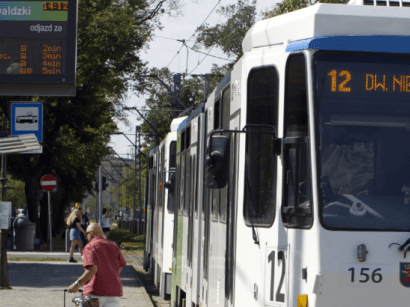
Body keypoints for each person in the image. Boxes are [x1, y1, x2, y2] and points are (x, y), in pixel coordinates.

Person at [67, 223, 127, 307]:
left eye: (86, 234)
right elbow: (120, 266)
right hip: (114, 292)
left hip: (95, 292)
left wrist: (77, 284)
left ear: (90, 234)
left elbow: (92, 269)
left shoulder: (90, 247)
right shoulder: (114, 246)